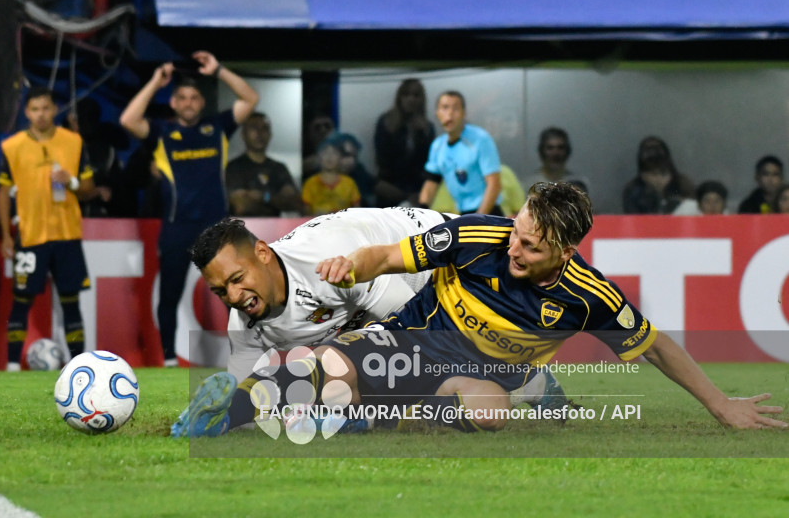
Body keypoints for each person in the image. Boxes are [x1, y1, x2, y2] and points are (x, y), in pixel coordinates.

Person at [174, 182, 786, 437]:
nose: (513, 249)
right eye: (515, 232)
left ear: (567, 251)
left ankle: (528, 389)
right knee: (333, 365)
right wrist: (356, 267)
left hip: (490, 369)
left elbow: (652, 344)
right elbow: (388, 257)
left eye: (531, 245)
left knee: (486, 412)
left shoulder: (589, 297)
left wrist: (720, 404)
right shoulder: (477, 238)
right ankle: (229, 410)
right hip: (415, 325)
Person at [171, 206, 566, 437]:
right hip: (394, 286)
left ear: (262, 252)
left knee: (428, 366)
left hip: (441, 257)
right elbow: (248, 394)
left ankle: (529, 383)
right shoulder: (244, 325)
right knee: (333, 377)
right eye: (221, 291)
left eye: (237, 280)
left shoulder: (328, 262)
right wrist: (227, 417)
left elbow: (415, 331)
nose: (234, 297)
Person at [119, 50, 259, 365]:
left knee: (233, 295)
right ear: (173, 103)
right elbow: (128, 119)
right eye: (181, 97)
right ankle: (169, 359)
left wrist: (219, 69)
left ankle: (247, 355)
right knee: (169, 295)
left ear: (202, 102)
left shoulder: (218, 127)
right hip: (176, 227)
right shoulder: (162, 133)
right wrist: (156, 82)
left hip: (216, 228)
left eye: (194, 97)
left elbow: (250, 99)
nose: (188, 103)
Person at [0, 87, 95, 371]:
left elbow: (89, 187)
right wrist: (6, 234)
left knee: (70, 301)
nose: (41, 114)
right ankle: (13, 366)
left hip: (67, 235)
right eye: (35, 109)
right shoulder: (11, 146)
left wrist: (71, 182)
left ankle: (79, 366)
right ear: (27, 112)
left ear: (55, 110)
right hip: (30, 235)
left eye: (46, 108)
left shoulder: (73, 142)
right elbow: (3, 192)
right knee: (21, 298)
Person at [418, 91, 503, 215]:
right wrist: (420, 214)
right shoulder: (437, 146)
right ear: (437, 113)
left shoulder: (480, 139)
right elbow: (431, 183)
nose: (450, 113)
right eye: (445, 108)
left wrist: (478, 218)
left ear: (464, 113)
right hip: (463, 215)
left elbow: (494, 184)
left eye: (456, 108)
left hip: (489, 213)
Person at [225, 112, 303, 217]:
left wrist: (263, 197)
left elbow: (294, 203)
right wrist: (277, 200)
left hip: (275, 231)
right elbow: (242, 206)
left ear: (270, 134)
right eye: (254, 128)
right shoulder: (234, 167)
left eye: (264, 128)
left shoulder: (279, 168)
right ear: (243, 134)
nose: (259, 133)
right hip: (243, 230)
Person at [373, 79, 435, 207]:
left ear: (421, 100)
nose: (411, 99)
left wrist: (423, 134)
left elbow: (430, 164)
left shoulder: (427, 127)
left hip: (417, 188)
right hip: (390, 186)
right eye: (406, 95)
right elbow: (382, 160)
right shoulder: (386, 122)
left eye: (416, 95)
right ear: (399, 98)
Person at [622, 136, 695, 214]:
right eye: (653, 174)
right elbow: (632, 218)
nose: (658, 178)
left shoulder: (683, 183)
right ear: (644, 175)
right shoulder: (633, 189)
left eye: (663, 173)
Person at [521, 127, 590, 194]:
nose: (555, 153)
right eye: (550, 148)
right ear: (541, 151)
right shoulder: (528, 186)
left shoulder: (578, 186)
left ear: (567, 151)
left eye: (560, 147)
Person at [302, 139, 361, 216]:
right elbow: (306, 212)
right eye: (325, 153)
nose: (329, 157)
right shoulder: (310, 183)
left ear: (340, 158)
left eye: (334, 153)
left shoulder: (349, 183)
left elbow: (357, 211)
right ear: (319, 157)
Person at [328, 132, 376, 207]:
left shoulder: (357, 171)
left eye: (354, 157)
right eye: (346, 155)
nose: (351, 161)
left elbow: (378, 185)